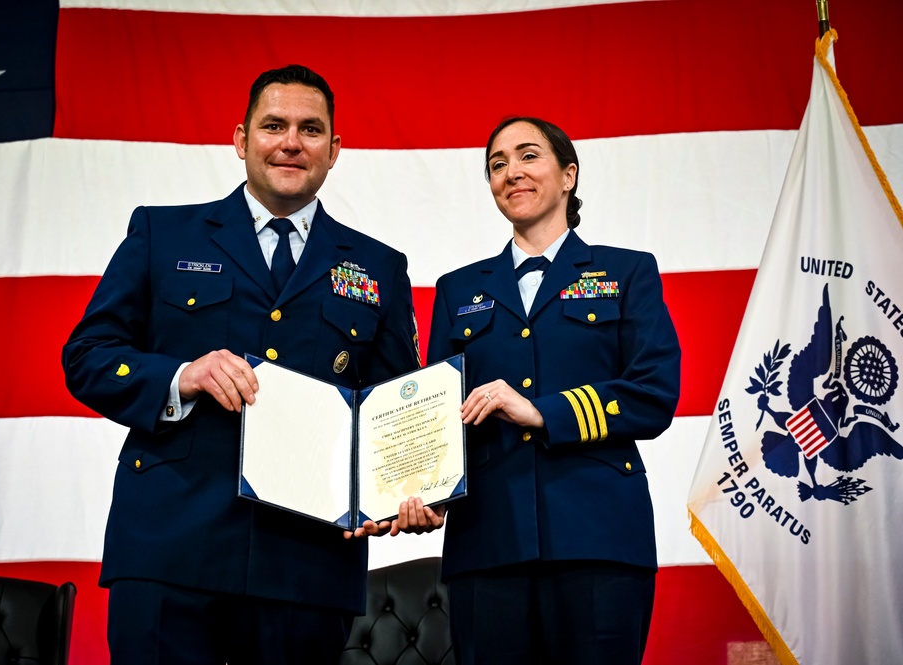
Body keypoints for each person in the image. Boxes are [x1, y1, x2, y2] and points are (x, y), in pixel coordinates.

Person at [61, 64, 420, 665]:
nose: (290, 142)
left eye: (310, 130)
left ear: (334, 151)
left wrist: (406, 486)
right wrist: (182, 376)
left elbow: (391, 404)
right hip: (170, 549)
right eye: (273, 125)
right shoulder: (163, 233)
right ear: (240, 139)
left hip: (306, 564)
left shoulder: (380, 266)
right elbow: (88, 358)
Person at [419, 116, 681, 664]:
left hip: (599, 539)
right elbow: (436, 416)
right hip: (487, 543)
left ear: (568, 175)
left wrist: (539, 411)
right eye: (497, 163)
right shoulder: (458, 290)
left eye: (528, 155)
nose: (511, 171)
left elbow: (654, 393)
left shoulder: (627, 273)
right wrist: (424, 490)